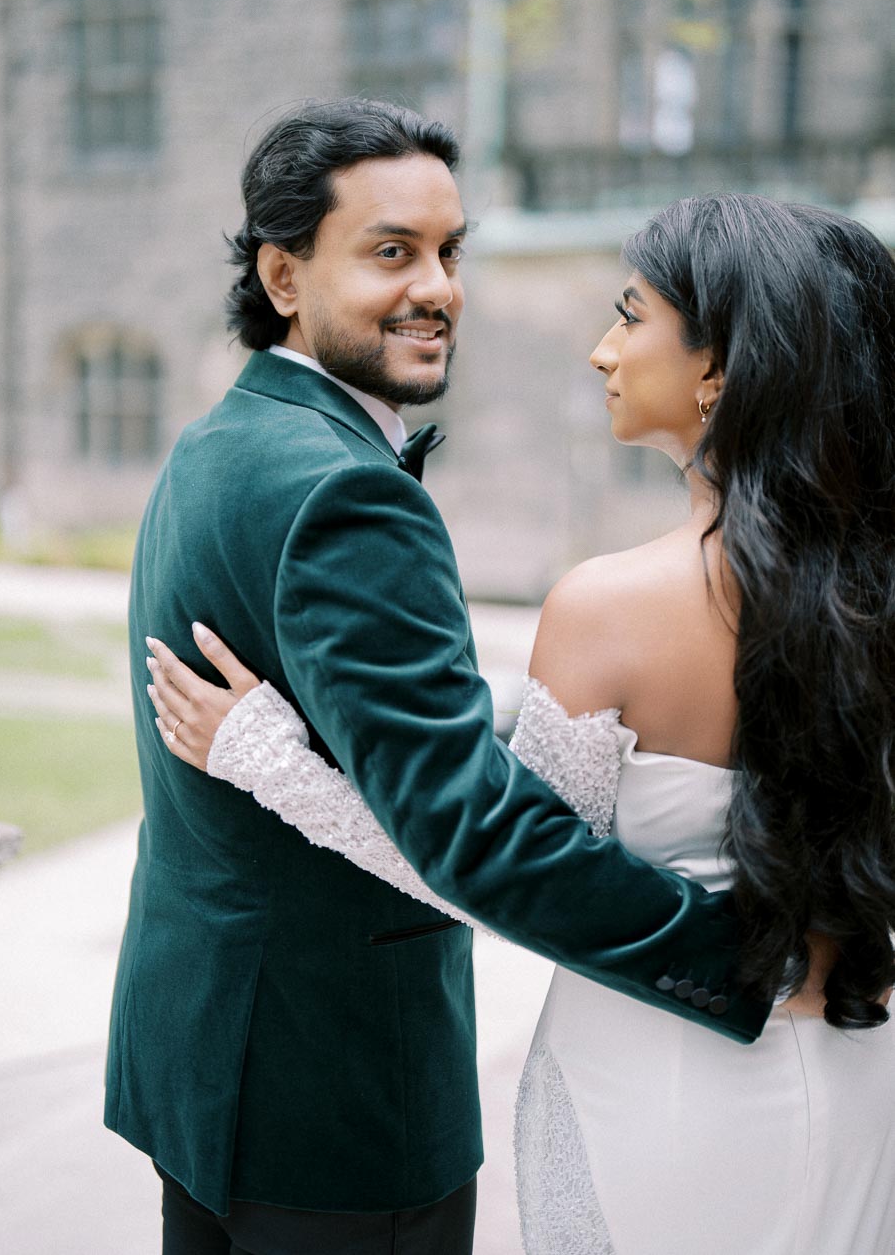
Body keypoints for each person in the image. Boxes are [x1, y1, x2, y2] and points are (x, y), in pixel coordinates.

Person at [146, 190, 895, 1253]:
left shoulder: (613, 608)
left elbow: (492, 860)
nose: (601, 350)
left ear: (720, 370)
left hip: (662, 1085)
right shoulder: (872, 598)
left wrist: (265, 757)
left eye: (632, 316)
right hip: (867, 1077)